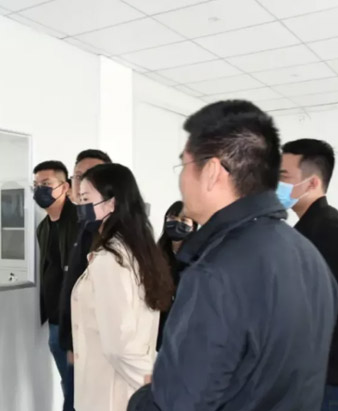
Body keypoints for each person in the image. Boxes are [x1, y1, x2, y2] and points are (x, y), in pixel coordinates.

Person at [128, 100, 338, 410]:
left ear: (212, 172)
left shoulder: (216, 271)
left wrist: (144, 397)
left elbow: (179, 403)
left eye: (184, 165)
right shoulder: (307, 255)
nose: (181, 180)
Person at [71, 163, 174, 411]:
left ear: (111, 204)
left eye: (85, 199)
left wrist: (157, 387)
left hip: (111, 392)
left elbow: (119, 345)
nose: (80, 206)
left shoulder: (111, 260)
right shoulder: (136, 248)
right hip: (124, 386)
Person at [279, 138, 338, 409]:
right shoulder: (305, 231)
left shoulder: (328, 232)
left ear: (312, 183)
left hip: (326, 378)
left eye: (283, 177)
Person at [33, 160, 79, 411]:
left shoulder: (80, 221)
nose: (40, 190)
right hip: (55, 317)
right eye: (36, 185)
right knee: (69, 384)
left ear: (66, 186)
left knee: (79, 387)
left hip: (77, 320)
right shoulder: (43, 227)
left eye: (46, 184)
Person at [58, 150, 112, 361]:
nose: (83, 183)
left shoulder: (111, 233)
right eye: (79, 176)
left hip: (98, 348)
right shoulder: (84, 224)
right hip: (77, 341)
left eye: (93, 175)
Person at [155, 200, 197, 351]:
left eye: (184, 220)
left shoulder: (198, 259)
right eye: (172, 218)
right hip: (156, 327)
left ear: (193, 226)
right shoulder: (155, 254)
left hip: (183, 332)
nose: (177, 223)